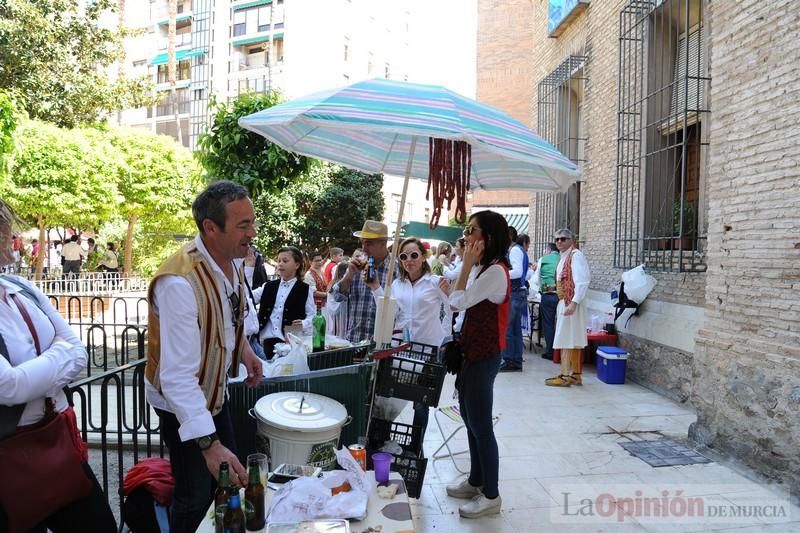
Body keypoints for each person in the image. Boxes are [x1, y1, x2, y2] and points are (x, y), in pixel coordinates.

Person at [144, 180, 263, 532]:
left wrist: (244, 351)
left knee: (224, 481)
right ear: (210, 228)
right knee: (195, 494)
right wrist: (208, 445)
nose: (252, 233)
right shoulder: (179, 282)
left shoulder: (231, 258)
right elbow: (177, 379)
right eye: (243, 225)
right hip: (180, 404)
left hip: (214, 394)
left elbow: (225, 318)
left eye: (252, 222)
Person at [0, 197, 117, 532]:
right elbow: (9, 386)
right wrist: (57, 360)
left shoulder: (20, 288)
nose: (12, 234)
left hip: (59, 443)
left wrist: (35, 373)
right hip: (8, 457)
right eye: (4, 227)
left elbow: (79, 351)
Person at [446, 210, 510, 518]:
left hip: (484, 356)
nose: (466, 237)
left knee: (482, 426)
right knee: (470, 421)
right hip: (471, 353)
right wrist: (468, 267)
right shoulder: (483, 269)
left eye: (472, 231)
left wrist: (466, 266)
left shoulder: (496, 271)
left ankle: (491, 494)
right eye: (466, 230)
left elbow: (457, 302)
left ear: (488, 238)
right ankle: (476, 479)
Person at [366, 237, 451, 430]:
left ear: (423, 257)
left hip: (428, 349)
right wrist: (375, 288)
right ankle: (383, 437)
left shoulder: (435, 282)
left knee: (421, 402)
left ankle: (416, 446)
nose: (409, 260)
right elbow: (390, 312)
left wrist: (445, 337)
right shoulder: (397, 284)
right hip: (401, 350)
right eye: (404, 256)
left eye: (414, 255)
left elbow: (450, 309)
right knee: (390, 395)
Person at [330, 221, 398, 343]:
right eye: (362, 242)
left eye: (369, 243)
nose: (364, 248)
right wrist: (349, 275)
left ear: (383, 244)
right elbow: (337, 297)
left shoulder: (396, 269)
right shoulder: (357, 266)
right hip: (354, 340)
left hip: (381, 344)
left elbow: (397, 312)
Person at [250, 246, 315, 359]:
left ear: (297, 265)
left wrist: (304, 323)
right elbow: (247, 298)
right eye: (279, 261)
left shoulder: (305, 289)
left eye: (285, 261)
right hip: (267, 342)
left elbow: (313, 316)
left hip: (290, 342)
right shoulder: (268, 286)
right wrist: (248, 269)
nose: (280, 264)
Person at [545, 229, 591, 387]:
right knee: (573, 338)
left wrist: (574, 302)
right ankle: (576, 374)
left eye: (563, 239)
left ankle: (565, 375)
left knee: (565, 339)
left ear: (571, 240)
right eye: (557, 239)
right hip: (565, 301)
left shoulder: (576, 256)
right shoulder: (564, 256)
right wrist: (554, 288)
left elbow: (582, 281)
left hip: (570, 303)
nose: (559, 242)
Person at [499, 226, 528, 372]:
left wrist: (502, 273)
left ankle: (510, 360)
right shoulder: (517, 249)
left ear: (509, 236)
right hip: (518, 292)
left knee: (509, 329)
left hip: (515, 293)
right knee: (515, 329)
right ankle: (515, 361)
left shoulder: (515, 250)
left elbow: (517, 271)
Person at [532, 242, 559, 360]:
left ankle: (550, 352)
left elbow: (537, 280)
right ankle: (561, 352)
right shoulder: (563, 258)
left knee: (548, 324)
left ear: (548, 250)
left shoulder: (543, 259)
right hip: (562, 296)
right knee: (561, 324)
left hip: (548, 295)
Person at [325, 261, 350, 337]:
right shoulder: (341, 284)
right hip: (342, 313)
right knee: (340, 332)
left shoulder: (332, 282)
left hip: (333, 314)